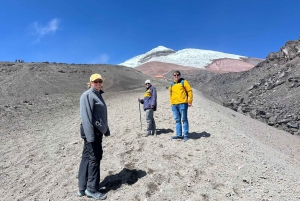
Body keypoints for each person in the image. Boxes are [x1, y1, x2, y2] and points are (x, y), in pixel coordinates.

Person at [78, 73, 110, 200]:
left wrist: (106, 129)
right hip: (92, 132)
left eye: (99, 81)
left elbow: (100, 116)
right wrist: (91, 136)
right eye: (95, 81)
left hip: (95, 131)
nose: (97, 83)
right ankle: (91, 189)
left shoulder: (97, 94)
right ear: (90, 83)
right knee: (94, 158)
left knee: (87, 157)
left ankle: (82, 188)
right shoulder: (87, 95)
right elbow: (86, 117)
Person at [169, 71, 193, 142]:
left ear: (179, 75)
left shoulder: (183, 82)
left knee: (184, 119)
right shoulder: (172, 84)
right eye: (174, 75)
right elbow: (170, 94)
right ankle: (179, 135)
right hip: (174, 105)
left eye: (177, 75)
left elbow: (189, 91)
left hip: (183, 103)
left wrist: (189, 101)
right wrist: (171, 103)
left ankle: (185, 135)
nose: (176, 76)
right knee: (177, 120)